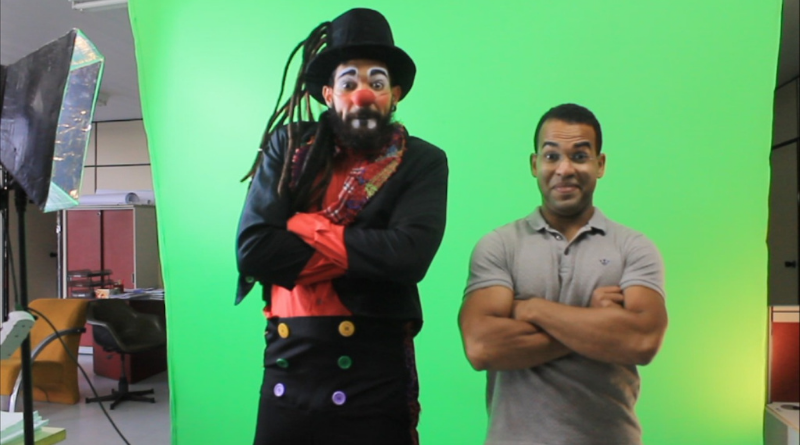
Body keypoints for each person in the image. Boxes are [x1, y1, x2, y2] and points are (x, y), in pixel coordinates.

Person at [235, 8, 448, 445]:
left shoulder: (423, 161)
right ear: (329, 94)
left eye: (377, 83)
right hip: (288, 366)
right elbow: (254, 251)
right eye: (349, 84)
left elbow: (408, 257)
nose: (363, 95)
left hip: (374, 369)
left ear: (395, 95)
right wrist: (368, 252)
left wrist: (304, 226)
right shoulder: (288, 146)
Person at [459, 103, 667, 445]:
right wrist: (596, 323)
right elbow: (482, 346)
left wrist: (531, 309)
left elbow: (641, 341)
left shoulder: (633, 247)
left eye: (580, 156)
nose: (565, 169)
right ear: (534, 164)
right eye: (552, 156)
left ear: (600, 164)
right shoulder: (499, 246)